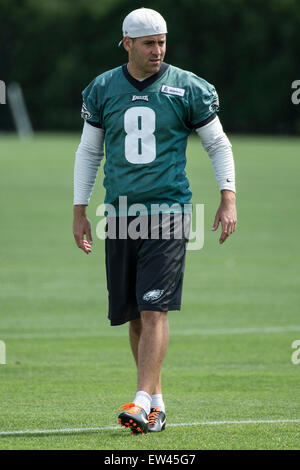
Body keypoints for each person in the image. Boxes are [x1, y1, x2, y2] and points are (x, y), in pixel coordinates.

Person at [73, 7, 237, 435]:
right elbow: (90, 152)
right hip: (121, 214)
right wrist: (79, 209)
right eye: (149, 43)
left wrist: (228, 197)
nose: (157, 50)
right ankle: (157, 406)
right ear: (127, 43)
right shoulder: (103, 88)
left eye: (162, 41)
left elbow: (217, 144)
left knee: (154, 306)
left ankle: (141, 398)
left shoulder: (188, 87)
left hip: (168, 211)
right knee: (134, 315)